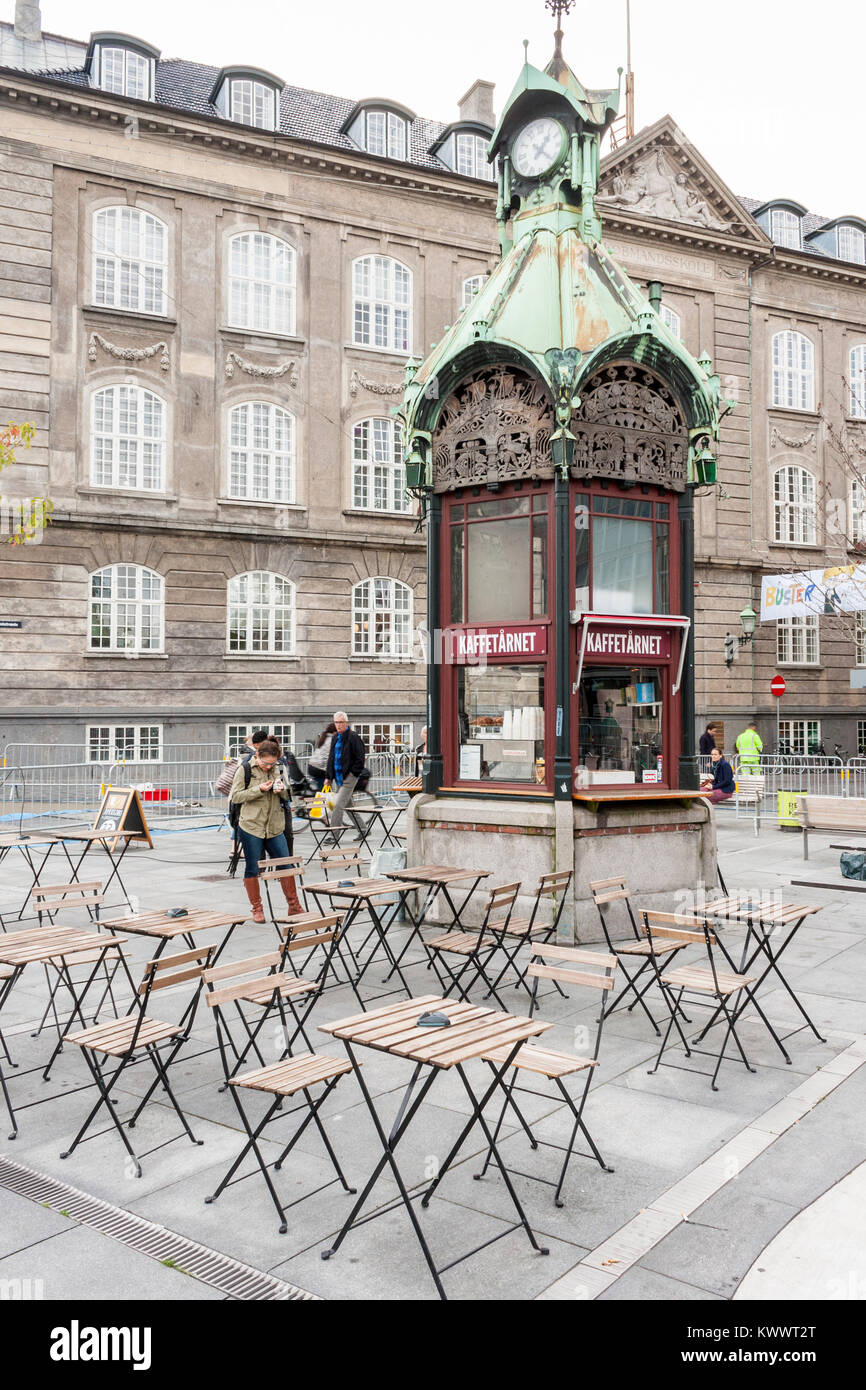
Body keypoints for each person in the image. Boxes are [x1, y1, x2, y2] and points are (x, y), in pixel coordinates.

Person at [231, 738, 300, 922]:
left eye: (273, 763)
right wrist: (259, 789)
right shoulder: (245, 769)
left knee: (286, 864)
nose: (269, 767)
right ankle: (257, 908)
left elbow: (289, 793)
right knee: (253, 867)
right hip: (252, 825)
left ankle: (294, 906)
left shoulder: (280, 768)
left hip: (275, 825)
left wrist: (282, 790)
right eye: (266, 763)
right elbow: (236, 796)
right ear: (257, 756)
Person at [326, 711, 366, 841]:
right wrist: (328, 777)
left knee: (338, 805)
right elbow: (331, 758)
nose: (338, 725)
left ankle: (334, 835)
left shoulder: (353, 737)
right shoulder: (335, 737)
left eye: (341, 722)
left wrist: (353, 773)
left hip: (349, 778)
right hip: (338, 778)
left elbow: (360, 758)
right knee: (348, 807)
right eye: (336, 722)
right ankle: (363, 829)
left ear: (346, 723)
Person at [307, 722, 336, 793]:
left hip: (312, 766)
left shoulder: (325, 737)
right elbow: (328, 759)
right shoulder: (332, 740)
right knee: (326, 792)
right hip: (319, 769)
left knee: (322, 789)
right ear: (335, 732)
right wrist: (329, 775)